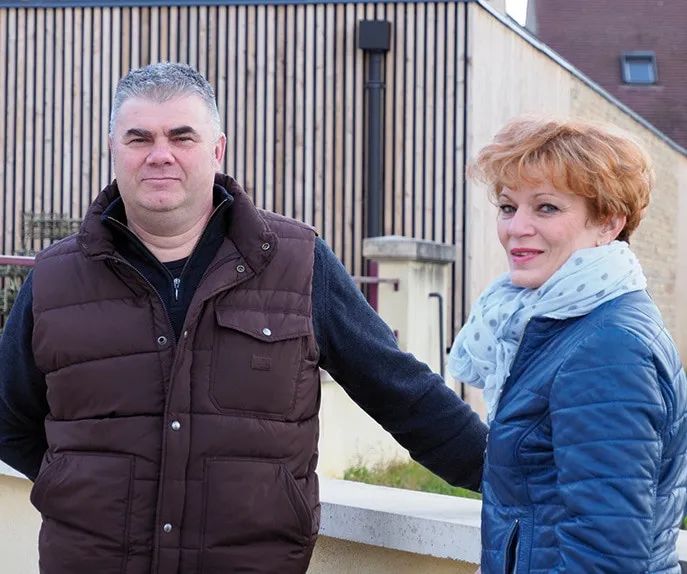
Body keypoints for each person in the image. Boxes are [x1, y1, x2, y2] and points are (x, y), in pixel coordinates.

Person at [0, 62, 487, 574]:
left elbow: (401, 391)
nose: (160, 154)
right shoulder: (54, 277)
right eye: (139, 138)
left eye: (181, 137)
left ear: (217, 150)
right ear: (113, 150)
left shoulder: (298, 263)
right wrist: (76, 484)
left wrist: (513, 475)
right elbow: (10, 421)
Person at [449, 116, 687, 573]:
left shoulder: (607, 348)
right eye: (507, 207)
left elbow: (606, 556)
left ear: (609, 223)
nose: (517, 227)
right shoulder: (559, 321)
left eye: (546, 208)